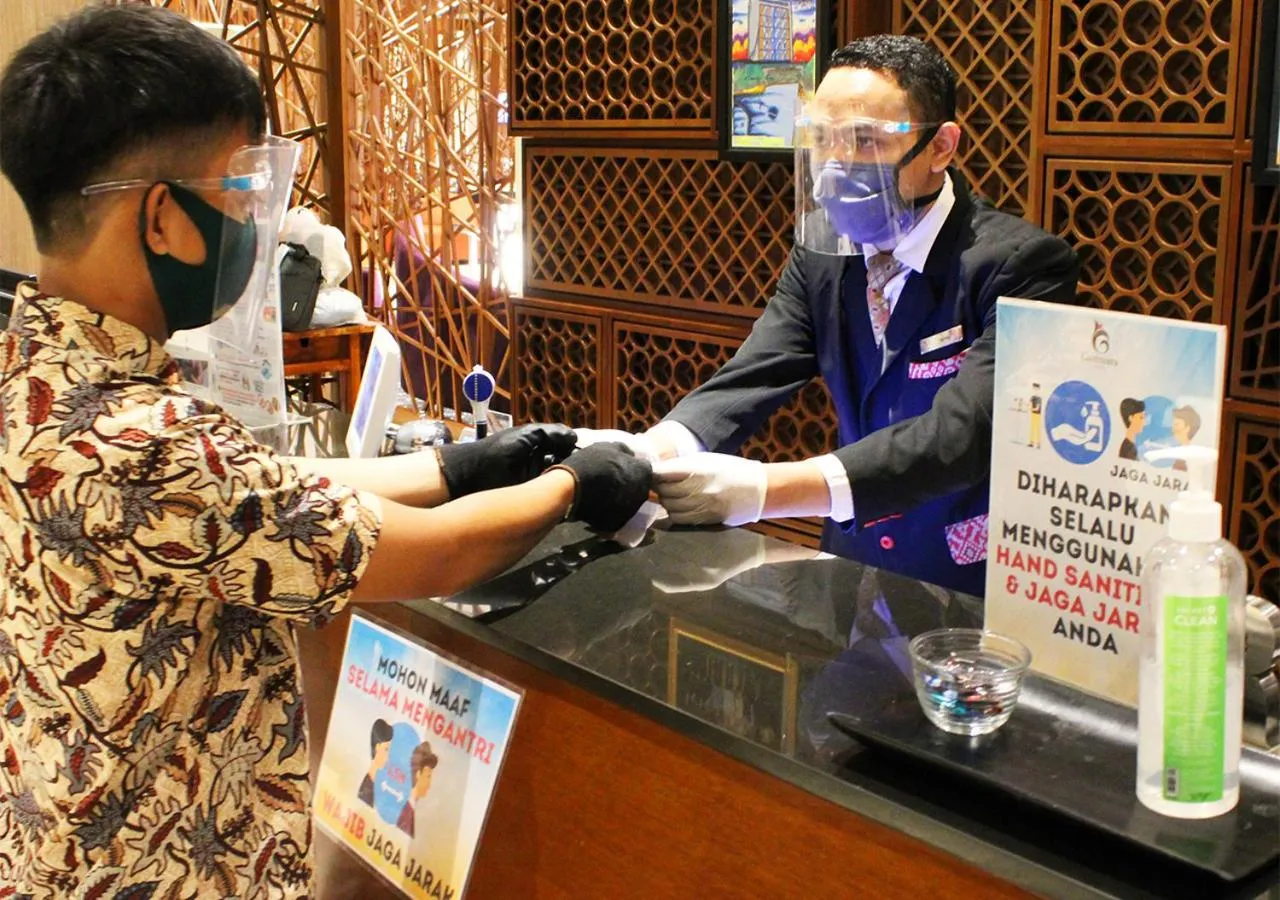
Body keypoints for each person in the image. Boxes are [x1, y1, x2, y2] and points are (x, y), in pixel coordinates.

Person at [0, 6, 650, 897]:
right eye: (237, 195)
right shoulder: (142, 441)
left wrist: (453, 467)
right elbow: (438, 556)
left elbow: (256, 493)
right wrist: (576, 486)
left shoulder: (35, 367)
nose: (253, 225)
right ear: (160, 218)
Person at [586, 35, 1079, 596]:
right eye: (822, 140)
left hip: (966, 582)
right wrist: (652, 450)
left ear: (941, 147)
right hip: (852, 568)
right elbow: (755, 373)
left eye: (865, 141)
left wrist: (766, 489)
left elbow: (964, 436)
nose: (836, 167)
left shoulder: (1022, 266)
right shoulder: (822, 250)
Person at [395, 741, 439, 838]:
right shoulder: (405, 813)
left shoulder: (408, 810)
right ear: (418, 774)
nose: (429, 784)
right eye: (428, 776)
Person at [358, 719, 395, 807]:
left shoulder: (377, 783)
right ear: (377, 747)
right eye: (386, 749)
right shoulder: (367, 789)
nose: (389, 756)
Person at [1169, 404, 1200, 471]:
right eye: (1173, 424)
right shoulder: (1178, 452)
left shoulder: (1192, 457)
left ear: (1187, 428)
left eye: (1176, 425)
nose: (1173, 429)